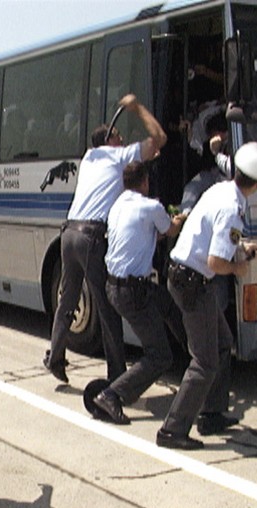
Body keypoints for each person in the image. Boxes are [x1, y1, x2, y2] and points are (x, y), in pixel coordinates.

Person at [43, 93, 167, 383]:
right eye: (119, 137)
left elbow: (121, 177)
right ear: (109, 141)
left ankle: (56, 356)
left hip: (69, 233)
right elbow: (159, 137)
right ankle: (116, 378)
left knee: (68, 298)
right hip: (91, 239)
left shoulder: (90, 158)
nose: (123, 142)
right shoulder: (116, 155)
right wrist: (136, 107)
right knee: (107, 306)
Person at [156, 142, 257, 450]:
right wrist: (239, 268)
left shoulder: (221, 190)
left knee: (222, 344)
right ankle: (172, 430)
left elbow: (219, 240)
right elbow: (215, 262)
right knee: (205, 360)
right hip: (193, 281)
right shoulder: (233, 207)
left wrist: (241, 248)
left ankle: (211, 413)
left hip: (186, 276)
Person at [92, 161, 186, 424]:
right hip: (133, 292)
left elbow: (141, 237)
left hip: (114, 285)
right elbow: (170, 230)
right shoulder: (151, 206)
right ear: (145, 182)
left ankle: (194, 356)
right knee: (160, 355)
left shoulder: (117, 206)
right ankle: (112, 395)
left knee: (167, 304)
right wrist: (179, 219)